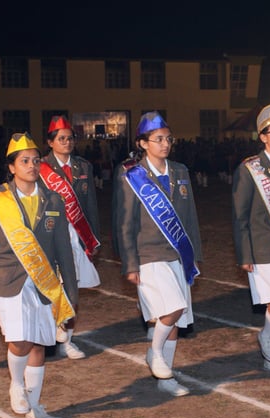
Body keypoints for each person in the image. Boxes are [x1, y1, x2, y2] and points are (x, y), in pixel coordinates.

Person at [0, 132, 78, 418]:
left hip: (44, 285)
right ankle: (17, 384)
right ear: (11, 167)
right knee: (20, 341)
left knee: (39, 345)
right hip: (8, 283)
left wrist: (71, 293)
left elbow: (63, 251)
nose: (32, 165)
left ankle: (35, 404)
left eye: (35, 160)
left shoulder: (53, 199)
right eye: (24, 161)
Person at [114, 111, 203, 397]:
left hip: (177, 253)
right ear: (143, 143)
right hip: (148, 254)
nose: (165, 144)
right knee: (173, 307)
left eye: (168, 139)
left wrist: (194, 253)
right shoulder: (132, 175)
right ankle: (155, 352)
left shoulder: (180, 171)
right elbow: (125, 223)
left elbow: (190, 217)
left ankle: (167, 378)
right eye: (158, 139)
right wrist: (130, 263)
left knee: (175, 319)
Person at [232, 103, 270, 377]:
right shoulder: (250, 169)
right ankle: (267, 336)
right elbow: (240, 214)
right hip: (263, 245)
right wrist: (244, 253)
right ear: (263, 136)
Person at [40, 115, 101, 360]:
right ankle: (48, 337)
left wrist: (93, 238)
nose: (67, 142)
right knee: (51, 290)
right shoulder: (40, 167)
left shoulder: (83, 167)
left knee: (73, 291)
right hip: (51, 237)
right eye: (62, 139)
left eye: (70, 138)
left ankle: (68, 339)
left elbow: (91, 204)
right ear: (50, 142)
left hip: (78, 235)